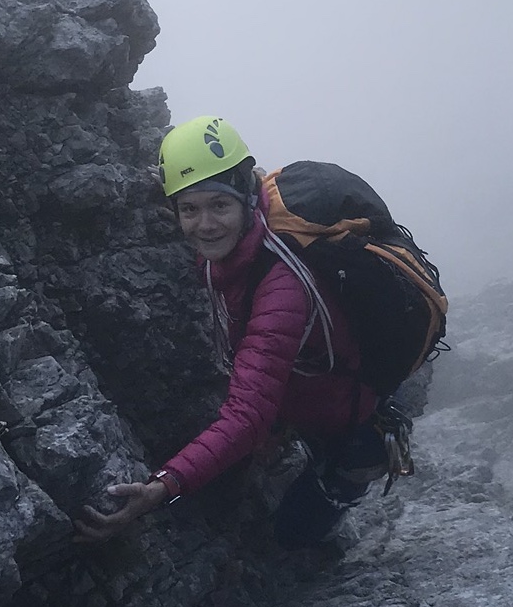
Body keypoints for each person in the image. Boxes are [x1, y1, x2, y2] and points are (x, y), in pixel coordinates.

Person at [75, 116, 387, 548]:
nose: (204, 224)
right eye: (189, 209)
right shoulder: (239, 242)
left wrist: (162, 487)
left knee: (290, 540)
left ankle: (347, 483)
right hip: (299, 396)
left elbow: (247, 417)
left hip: (342, 421)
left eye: (219, 206)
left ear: (247, 199)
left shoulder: (282, 287)